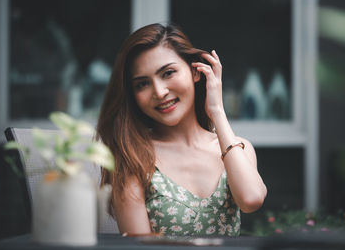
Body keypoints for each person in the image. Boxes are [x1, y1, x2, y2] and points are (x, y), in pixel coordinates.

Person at [96, 23, 267, 236]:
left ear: (196, 72)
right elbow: (137, 247)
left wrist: (217, 112)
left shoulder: (237, 148)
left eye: (168, 73)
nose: (159, 92)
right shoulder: (133, 158)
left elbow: (251, 199)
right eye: (142, 84)